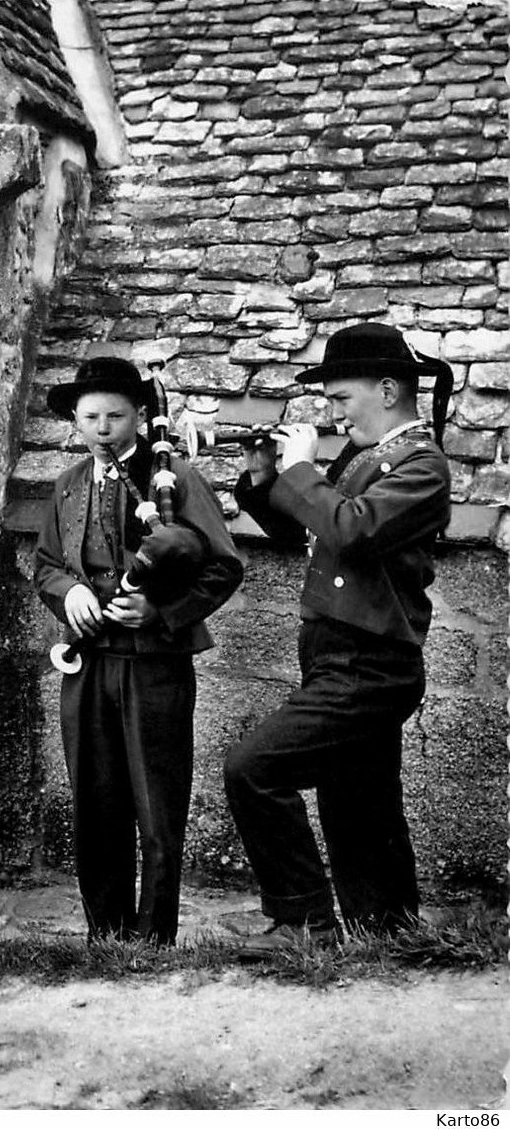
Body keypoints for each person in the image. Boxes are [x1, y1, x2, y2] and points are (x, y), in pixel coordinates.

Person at [226, 322, 453, 955]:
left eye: (340, 399)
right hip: (338, 653)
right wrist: (266, 476)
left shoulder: (422, 465)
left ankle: (304, 923)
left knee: (253, 769)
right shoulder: (362, 460)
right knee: (360, 803)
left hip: (371, 662)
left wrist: (303, 470)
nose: (333, 412)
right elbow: (313, 533)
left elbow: (351, 529)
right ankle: (389, 932)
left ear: (387, 390)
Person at [34, 357, 243, 945]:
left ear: (140, 416)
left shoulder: (172, 478)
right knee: (95, 800)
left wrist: (161, 612)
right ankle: (107, 933)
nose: (102, 428)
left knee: (155, 803)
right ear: (75, 421)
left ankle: (153, 940)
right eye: (90, 417)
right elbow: (47, 565)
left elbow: (223, 567)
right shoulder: (69, 484)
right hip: (88, 660)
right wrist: (68, 592)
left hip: (153, 665)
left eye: (115, 415)